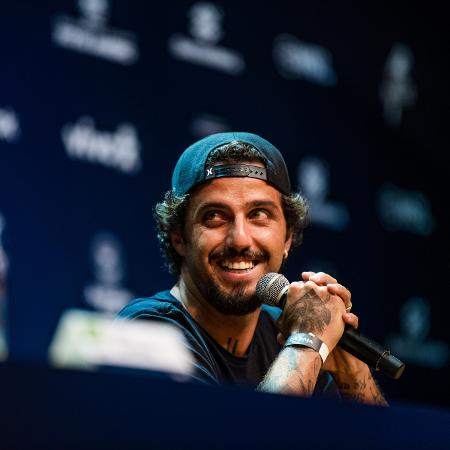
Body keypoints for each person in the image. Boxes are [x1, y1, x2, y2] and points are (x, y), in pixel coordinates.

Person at [118, 132, 387, 405]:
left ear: (287, 237)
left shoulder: (286, 332)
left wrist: (351, 369)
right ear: (179, 237)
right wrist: (308, 340)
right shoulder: (148, 333)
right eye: (214, 216)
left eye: (259, 214)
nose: (240, 239)